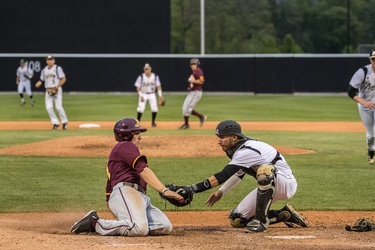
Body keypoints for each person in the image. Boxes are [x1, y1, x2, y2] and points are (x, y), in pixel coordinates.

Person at [175, 120, 309, 233]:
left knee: (265, 171)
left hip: (284, 182)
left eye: (222, 137)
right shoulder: (237, 149)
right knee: (237, 219)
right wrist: (221, 191)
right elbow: (238, 174)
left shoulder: (246, 150)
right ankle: (284, 215)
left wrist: (192, 188)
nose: (219, 141)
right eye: (218, 137)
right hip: (271, 184)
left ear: (234, 137)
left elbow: (223, 175)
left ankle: (261, 221)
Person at [70, 118, 184, 236]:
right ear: (126, 135)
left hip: (135, 196)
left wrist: (114, 205)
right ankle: (94, 223)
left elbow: (110, 184)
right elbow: (143, 170)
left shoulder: (124, 153)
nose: (140, 137)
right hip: (125, 192)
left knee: (164, 226)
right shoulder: (124, 146)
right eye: (136, 133)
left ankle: (127, 224)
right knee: (139, 229)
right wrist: (164, 190)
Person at [35, 55, 69, 130]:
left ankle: (64, 122)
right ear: (46, 61)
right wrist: (39, 82)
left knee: (58, 107)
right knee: (49, 108)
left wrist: (56, 87)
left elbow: (63, 79)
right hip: (48, 90)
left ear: (54, 60)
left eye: (51, 59)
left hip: (57, 89)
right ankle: (55, 123)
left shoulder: (57, 68)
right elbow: (42, 79)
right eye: (48, 60)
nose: (50, 61)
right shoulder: (44, 70)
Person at [179, 58, 207, 129]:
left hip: (196, 92)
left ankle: (187, 124)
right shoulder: (194, 72)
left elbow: (202, 81)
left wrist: (193, 81)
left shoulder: (198, 71)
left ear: (197, 65)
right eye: (191, 64)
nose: (192, 66)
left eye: (194, 64)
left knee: (187, 108)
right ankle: (199, 117)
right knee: (185, 109)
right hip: (192, 92)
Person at [134, 63, 164, 127]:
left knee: (154, 108)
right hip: (143, 94)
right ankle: (138, 123)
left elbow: (158, 86)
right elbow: (138, 87)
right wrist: (140, 95)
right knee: (140, 108)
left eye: (148, 69)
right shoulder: (141, 77)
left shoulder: (155, 77)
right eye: (145, 69)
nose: (147, 70)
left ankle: (153, 122)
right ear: (144, 70)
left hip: (152, 94)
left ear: (150, 69)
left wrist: (160, 95)